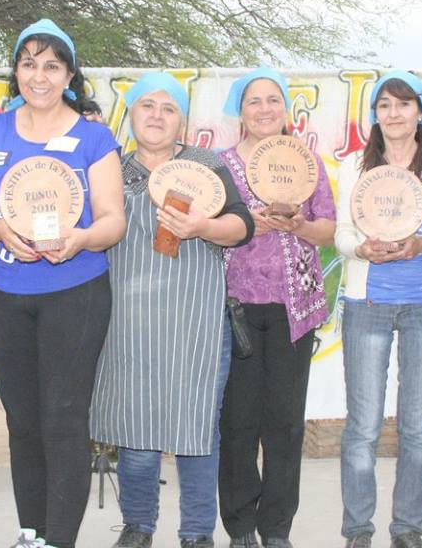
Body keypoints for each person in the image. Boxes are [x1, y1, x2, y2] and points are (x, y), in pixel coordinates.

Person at [0, 19, 125, 548]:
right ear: (15, 71)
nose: (39, 75)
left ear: (69, 75)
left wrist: (80, 240)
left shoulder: (94, 137)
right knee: (22, 421)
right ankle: (32, 532)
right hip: (7, 293)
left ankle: (60, 540)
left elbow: (113, 220)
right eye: (29, 63)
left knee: (63, 419)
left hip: (75, 293)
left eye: (52, 65)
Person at [89, 72, 254, 548]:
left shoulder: (204, 164)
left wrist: (204, 226)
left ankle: (197, 533)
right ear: (131, 113)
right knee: (135, 428)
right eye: (148, 105)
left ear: (182, 120)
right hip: (129, 323)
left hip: (196, 322)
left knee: (196, 429)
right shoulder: (111, 168)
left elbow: (242, 225)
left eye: (169, 108)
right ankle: (138, 527)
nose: (157, 116)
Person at [216, 67, 335, 548]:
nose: (264, 109)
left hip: (293, 308)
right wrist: (246, 225)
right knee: (237, 421)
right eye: (254, 101)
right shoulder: (219, 165)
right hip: (234, 308)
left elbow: (328, 229)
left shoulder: (307, 163)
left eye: (273, 100)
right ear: (239, 111)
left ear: (285, 108)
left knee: (285, 423)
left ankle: (277, 527)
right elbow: (205, 226)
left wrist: (299, 226)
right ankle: (241, 525)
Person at [335, 71, 422, 548]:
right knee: (363, 427)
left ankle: (407, 530)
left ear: (420, 111)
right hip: (368, 303)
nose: (394, 112)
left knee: (418, 428)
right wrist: (361, 249)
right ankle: (357, 531)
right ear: (374, 115)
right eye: (384, 104)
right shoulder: (355, 166)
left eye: (403, 103)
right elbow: (343, 233)